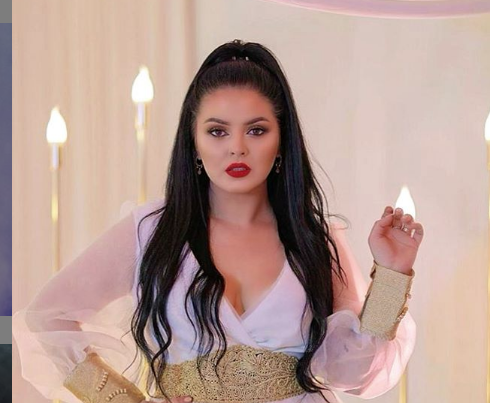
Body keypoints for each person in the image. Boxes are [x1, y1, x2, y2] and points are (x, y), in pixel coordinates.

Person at [13, 39, 424, 403]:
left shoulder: (314, 238)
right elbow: (47, 316)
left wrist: (392, 274)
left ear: (282, 141)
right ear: (193, 142)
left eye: (256, 130)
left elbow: (354, 371)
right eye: (217, 132)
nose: (237, 148)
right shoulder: (151, 231)